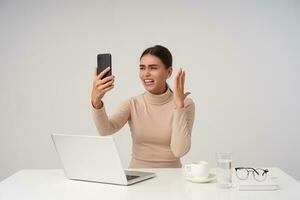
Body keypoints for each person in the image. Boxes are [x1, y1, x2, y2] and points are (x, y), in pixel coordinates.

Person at [91, 45, 195, 168]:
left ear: (169, 72)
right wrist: (96, 101)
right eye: (142, 68)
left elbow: (179, 150)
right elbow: (105, 130)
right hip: (138, 175)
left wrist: (179, 108)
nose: (146, 74)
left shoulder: (185, 104)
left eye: (153, 68)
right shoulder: (132, 104)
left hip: (172, 178)